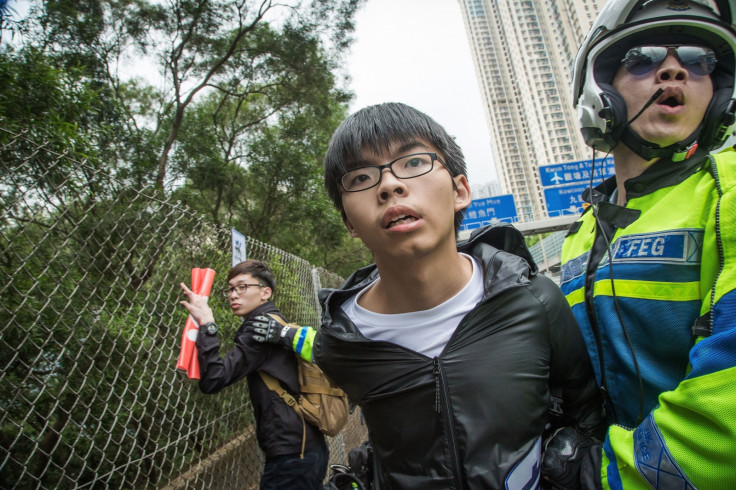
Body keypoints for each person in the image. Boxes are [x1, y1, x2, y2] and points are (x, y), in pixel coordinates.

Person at [248, 101, 605, 489]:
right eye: (360, 178)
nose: (389, 185)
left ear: (460, 190)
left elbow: (585, 411)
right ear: (349, 221)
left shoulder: (534, 301)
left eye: (413, 163)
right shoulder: (343, 342)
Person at [542, 0, 736, 488]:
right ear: (599, 91)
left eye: (699, 61)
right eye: (643, 58)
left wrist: (605, 474)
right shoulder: (582, 233)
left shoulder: (727, 194)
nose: (673, 69)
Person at [179, 260, 328, 490]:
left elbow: (213, 379)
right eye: (230, 288)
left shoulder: (259, 330)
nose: (233, 295)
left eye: (242, 287)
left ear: (265, 292)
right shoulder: (274, 322)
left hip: (291, 454)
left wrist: (207, 323)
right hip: (306, 445)